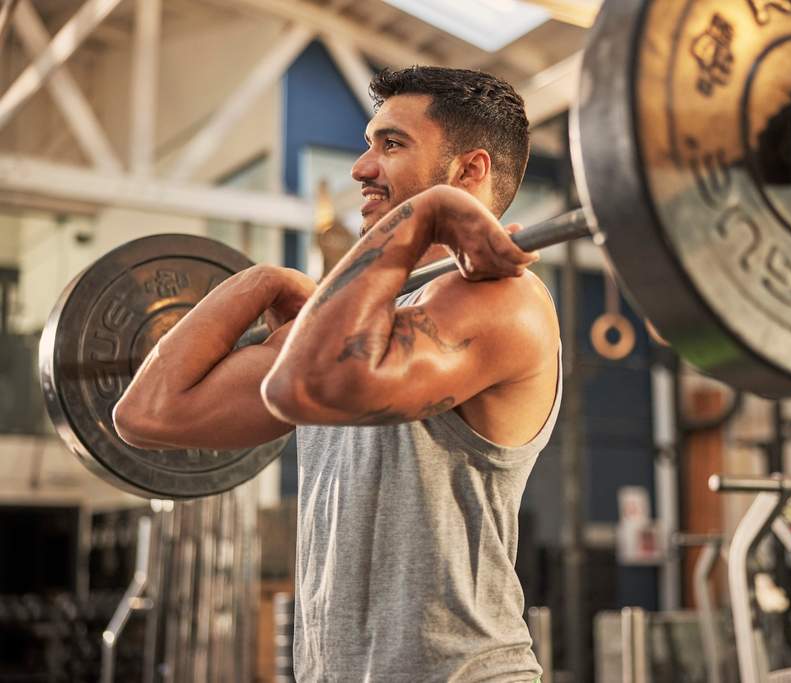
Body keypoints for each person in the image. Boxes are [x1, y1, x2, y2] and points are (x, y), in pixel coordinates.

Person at [113, 66, 562, 682]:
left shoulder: (503, 301)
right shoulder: (345, 326)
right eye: (369, 143)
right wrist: (261, 280)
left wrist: (425, 214)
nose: (361, 167)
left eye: (391, 144)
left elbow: (308, 385)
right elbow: (148, 415)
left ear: (470, 171)